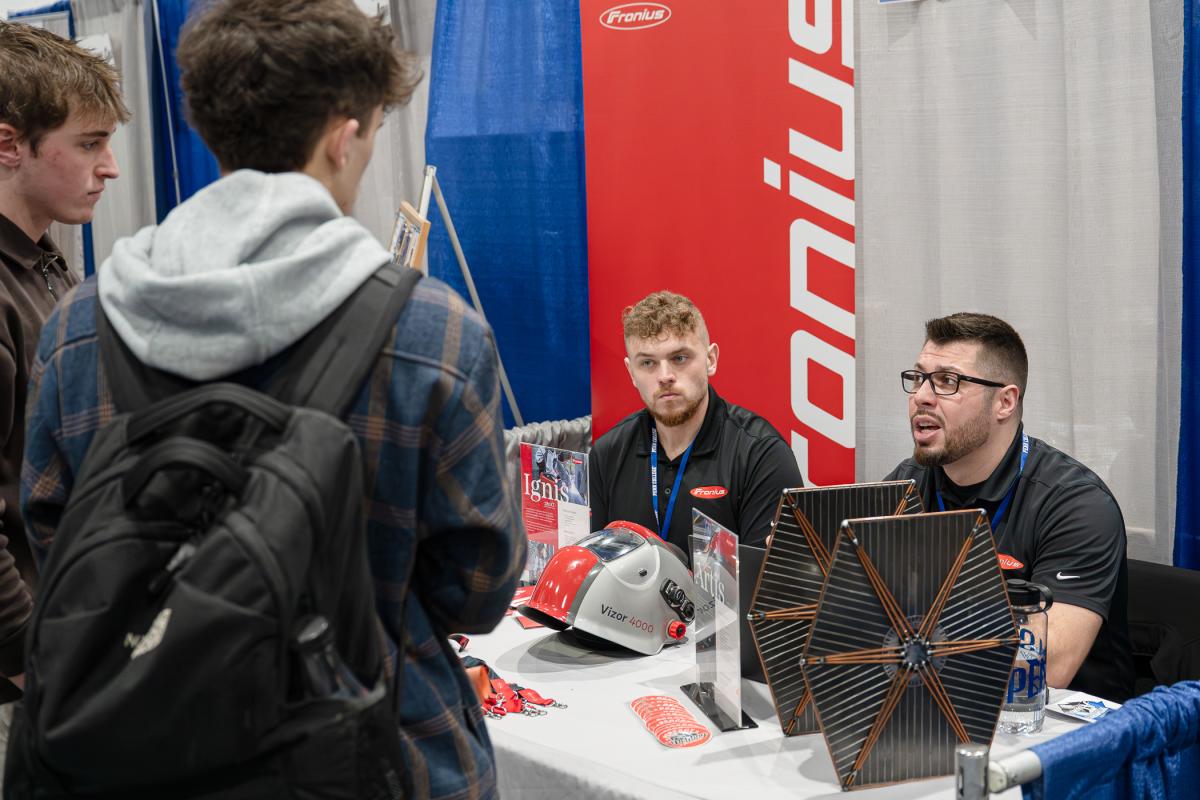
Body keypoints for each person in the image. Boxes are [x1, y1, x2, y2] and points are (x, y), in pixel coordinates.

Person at [19, 2, 524, 798]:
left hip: (147, 753)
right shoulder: (432, 333)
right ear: (342, 134)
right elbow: (479, 590)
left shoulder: (84, 327)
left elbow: (55, 543)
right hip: (384, 751)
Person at [885, 312, 1134, 702]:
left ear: (1005, 401)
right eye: (918, 378)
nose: (921, 396)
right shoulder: (907, 484)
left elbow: (1045, 667)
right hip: (936, 703)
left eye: (947, 382)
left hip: (1060, 735)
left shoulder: (1075, 504)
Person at [0, 21, 127, 697]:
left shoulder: (46, 262)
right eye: (89, 144)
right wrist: (30, 665)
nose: (110, 167)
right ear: (9, 144)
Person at [589, 290, 804, 557]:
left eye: (679, 358)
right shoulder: (607, 454)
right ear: (631, 372)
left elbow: (769, 590)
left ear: (710, 359)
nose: (665, 376)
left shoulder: (761, 456)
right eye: (648, 363)